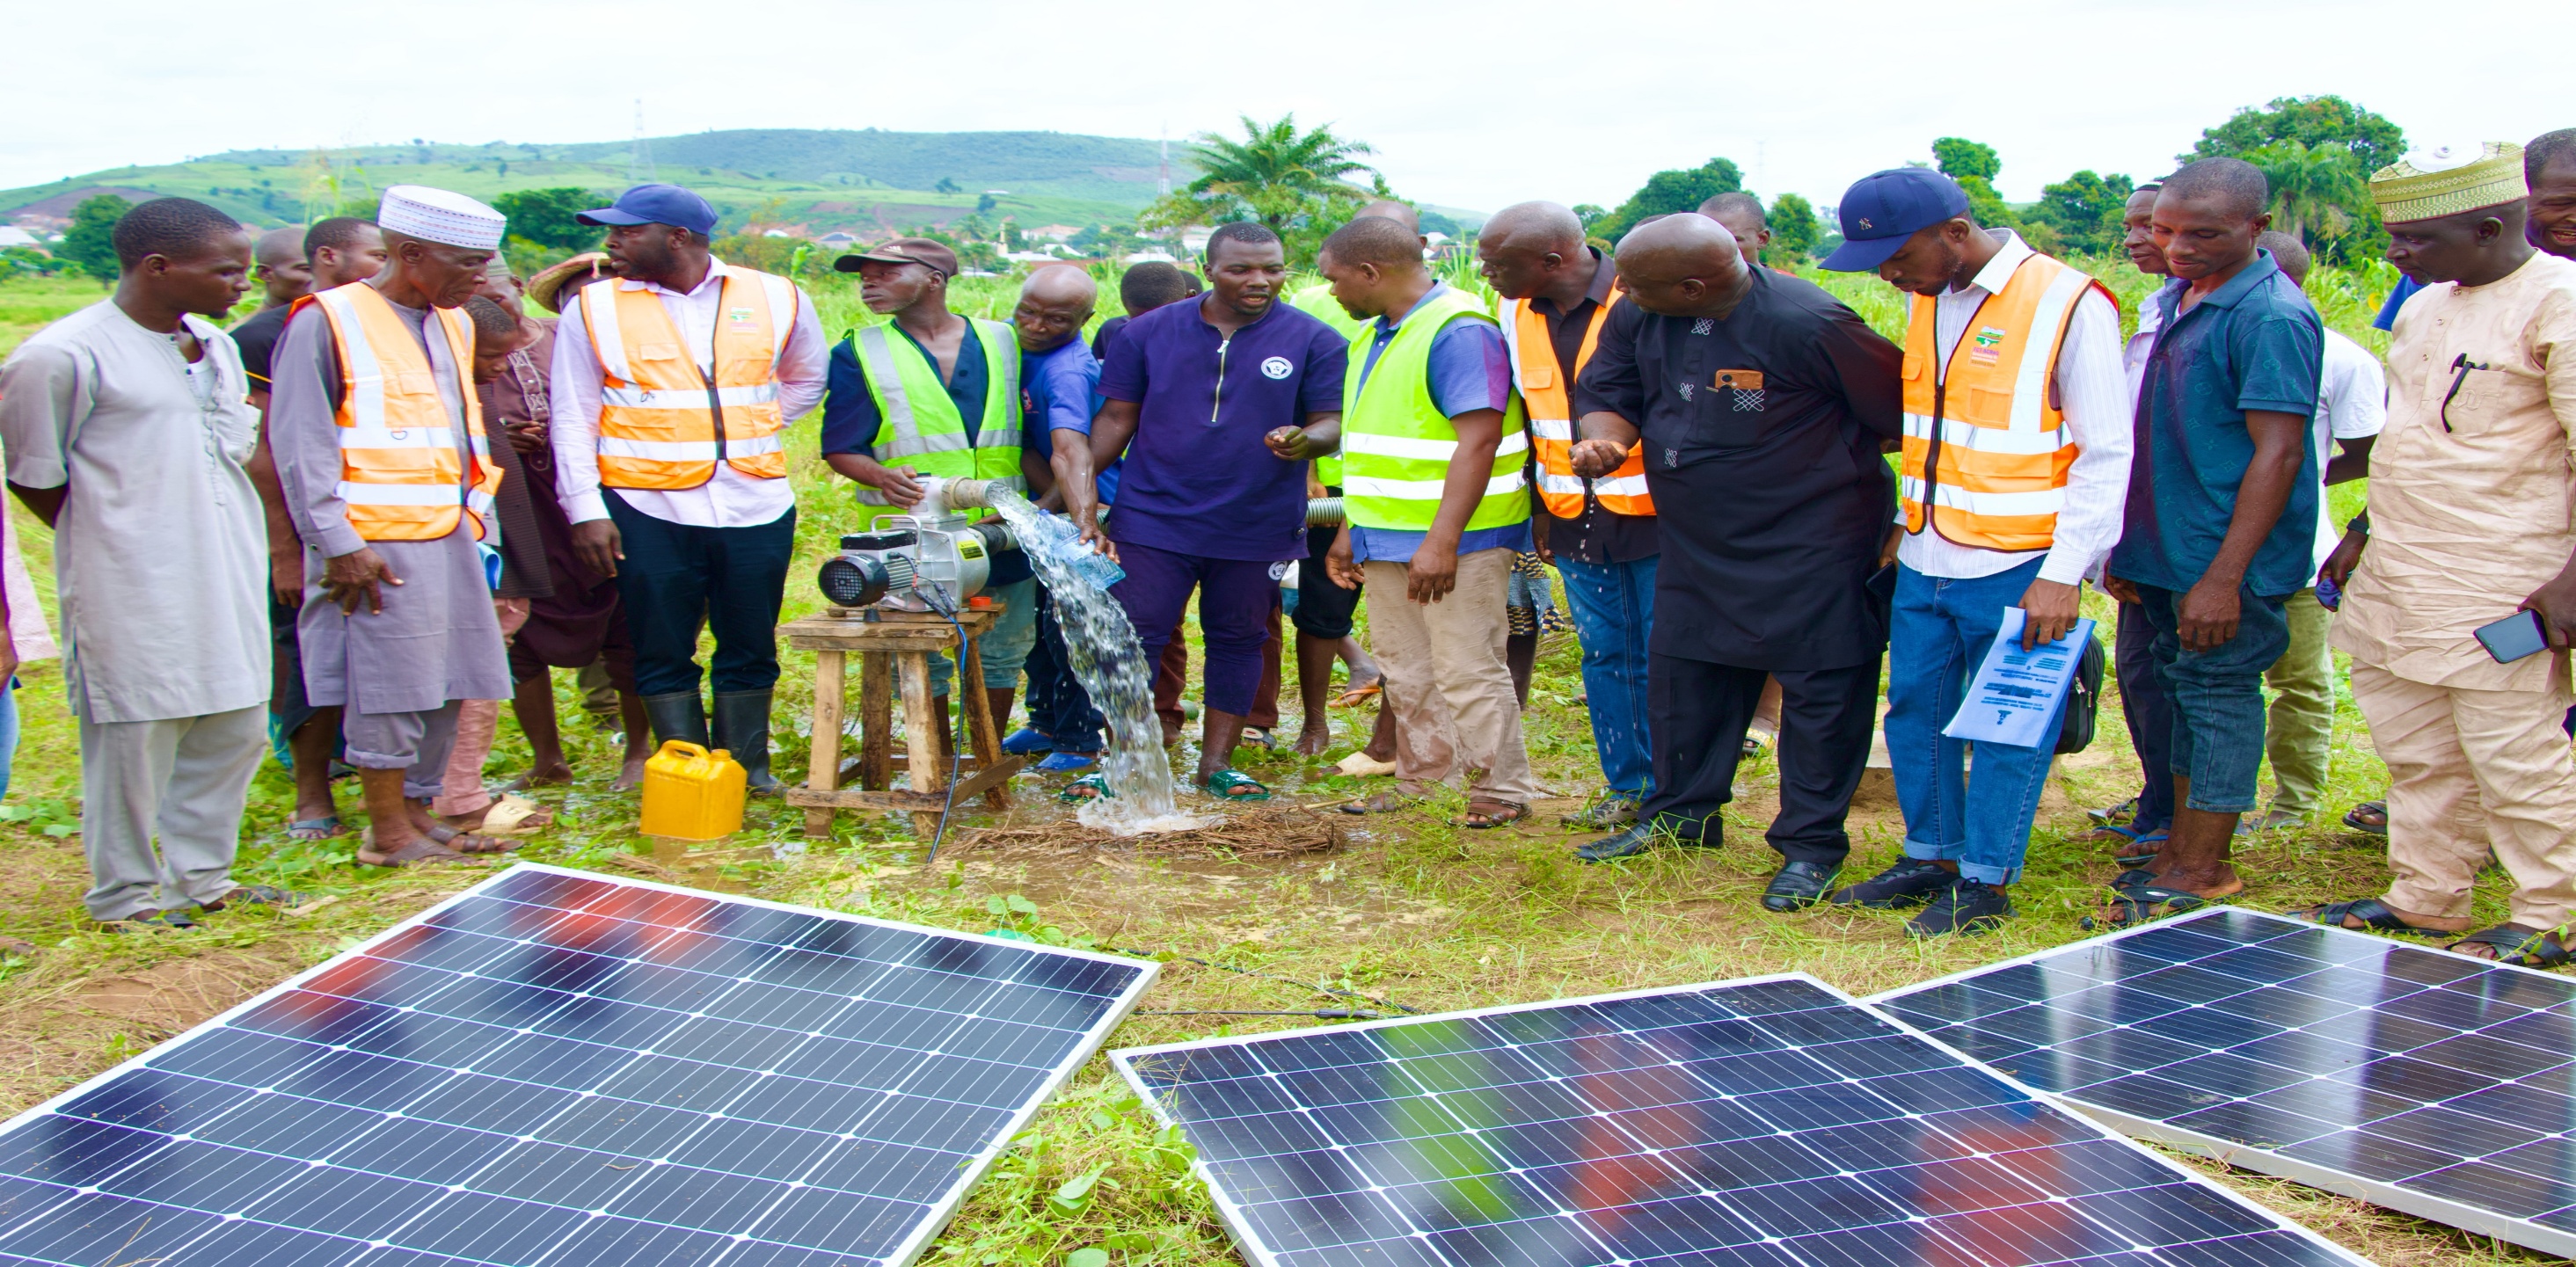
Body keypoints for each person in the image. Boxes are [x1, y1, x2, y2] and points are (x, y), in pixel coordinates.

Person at [1816, 169, 2130, 936]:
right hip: (1927, 553)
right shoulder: (1929, 296)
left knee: (2005, 721)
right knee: (1915, 712)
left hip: (2020, 565)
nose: (1889, 277)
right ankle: (1931, 854)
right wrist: (1904, 527)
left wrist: (2063, 574)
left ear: (1955, 232)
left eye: (1898, 258)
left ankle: (1986, 878)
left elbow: (2106, 453)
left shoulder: (2067, 302)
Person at [1566, 214, 1902, 914]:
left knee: (1822, 691)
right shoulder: (1638, 314)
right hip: (1695, 537)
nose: (1620, 291)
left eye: (1636, 283)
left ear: (1692, 287)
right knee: (1685, 675)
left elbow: (1897, 412)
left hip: (1812, 539)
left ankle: (1809, 846)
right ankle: (1680, 815)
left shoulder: (1808, 323)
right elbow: (1608, 393)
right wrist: (1605, 441)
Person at [2303, 142, 2576, 967]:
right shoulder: (2422, 307)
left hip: (2504, 578)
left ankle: (2552, 911)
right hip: (2401, 568)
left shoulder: (2558, 303)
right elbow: (2409, 435)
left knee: (2516, 753)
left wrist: (2571, 582)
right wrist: (2359, 533)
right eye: (2394, 236)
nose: (2396, 254)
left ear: (2488, 227)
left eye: (2415, 239)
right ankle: (2424, 894)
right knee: (2415, 748)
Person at [0, 198, 279, 928]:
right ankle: (124, 895)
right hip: (129, 576)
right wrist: (125, 534)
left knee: (234, 721)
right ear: (158, 267)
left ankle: (203, 878)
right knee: (137, 732)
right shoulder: (62, 356)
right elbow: (34, 475)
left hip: (227, 561)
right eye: (226, 271)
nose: (241, 285)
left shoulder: (213, 344)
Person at [2098, 158, 2322, 926]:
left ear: (2256, 228)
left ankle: (2203, 866)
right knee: (2183, 694)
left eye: (2202, 234)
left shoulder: (2270, 317)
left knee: (2218, 696)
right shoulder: (2176, 298)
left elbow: (2278, 452)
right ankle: (2178, 848)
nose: (2177, 247)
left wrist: (2224, 577)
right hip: (2165, 547)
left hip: (2222, 559)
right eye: (2164, 230)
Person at [269, 186, 520, 866]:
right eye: (467, 263)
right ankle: (386, 833)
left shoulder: (453, 322)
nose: (480, 278)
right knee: (390, 683)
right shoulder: (327, 321)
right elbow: (299, 441)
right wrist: (338, 544)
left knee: (451, 677)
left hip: (451, 530)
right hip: (374, 540)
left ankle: (417, 812)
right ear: (410, 253)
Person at [552, 184, 826, 794]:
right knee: (660, 645)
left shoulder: (776, 295)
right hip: (645, 505)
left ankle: (746, 770)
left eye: (627, 231)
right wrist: (584, 508)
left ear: (677, 238)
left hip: (754, 503)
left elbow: (808, 378)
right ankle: (686, 776)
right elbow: (572, 414)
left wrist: (745, 429)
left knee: (750, 642)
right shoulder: (592, 308)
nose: (611, 242)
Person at [1062, 222, 1347, 801]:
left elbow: (1331, 421)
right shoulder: (1147, 332)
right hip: (1153, 517)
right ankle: (1121, 763)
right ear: (1209, 269)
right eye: (1241, 269)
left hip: (1257, 521)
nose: (1259, 280)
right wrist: (1074, 497)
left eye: (1272, 268)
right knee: (1134, 636)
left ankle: (1216, 764)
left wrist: (1307, 440)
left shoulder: (1314, 339)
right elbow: (1116, 417)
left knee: (1238, 637)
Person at [1317, 215, 1536, 826]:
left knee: (1467, 665)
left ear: (1369, 272)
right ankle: (1425, 778)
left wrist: (1442, 543)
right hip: (1386, 536)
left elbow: (1479, 440)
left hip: (1458, 540)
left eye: (1335, 278)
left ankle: (1500, 788)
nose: (1332, 290)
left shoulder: (1458, 330)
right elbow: (1373, 450)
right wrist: (1350, 530)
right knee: (1406, 667)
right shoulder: (1375, 335)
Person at [1478, 200, 1656, 828]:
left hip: (1660, 514)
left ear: (1551, 260)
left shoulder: (1642, 295)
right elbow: (1527, 417)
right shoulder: (1511, 310)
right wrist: (1540, 510)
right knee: (1605, 652)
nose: (1485, 274)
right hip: (1573, 514)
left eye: (1497, 264)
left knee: (1667, 653)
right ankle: (1629, 786)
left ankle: (1678, 794)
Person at [821, 236, 1040, 740]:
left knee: (1004, 649)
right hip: (913, 538)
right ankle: (938, 760)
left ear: (934, 280)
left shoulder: (1004, 341)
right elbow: (839, 447)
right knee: (921, 652)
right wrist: (880, 475)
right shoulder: (860, 351)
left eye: (885, 273)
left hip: (999, 529)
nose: (869, 284)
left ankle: (986, 754)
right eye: (864, 277)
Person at [240, 215, 389, 841]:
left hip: (378, 516)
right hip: (306, 523)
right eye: (375, 254)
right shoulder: (266, 335)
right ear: (330, 257)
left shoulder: (380, 321)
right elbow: (266, 449)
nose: (384, 267)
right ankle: (311, 793)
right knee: (308, 656)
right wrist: (285, 546)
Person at [2238, 232, 2383, 835]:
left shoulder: (2342, 359)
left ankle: (2293, 807)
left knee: (2299, 682)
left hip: (2299, 552)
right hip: (2208, 547)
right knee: (2218, 684)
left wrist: (2295, 478)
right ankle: (2204, 806)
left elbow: (2371, 453)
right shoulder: (2210, 336)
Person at [421, 293, 558, 838]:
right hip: (455, 545)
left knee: (479, 662)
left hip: (486, 541)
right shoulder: (436, 396)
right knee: (469, 667)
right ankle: (457, 797)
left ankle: (451, 789)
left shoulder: (470, 391)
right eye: (491, 356)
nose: (503, 367)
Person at [2091, 184, 2181, 862]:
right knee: (2140, 675)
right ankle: (2156, 802)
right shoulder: (2154, 310)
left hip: (2181, 542)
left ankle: (2178, 822)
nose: (2133, 239)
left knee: (2179, 686)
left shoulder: (2221, 315)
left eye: (2148, 225)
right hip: (2138, 536)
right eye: (2129, 226)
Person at [1006, 265, 1111, 772]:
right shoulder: (1013, 349)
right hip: (1045, 505)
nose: (1036, 325)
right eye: (1027, 311)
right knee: (1038, 622)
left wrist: (1057, 515)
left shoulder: (1066, 370)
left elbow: (1072, 453)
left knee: (1070, 626)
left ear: (1085, 320)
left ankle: (1079, 738)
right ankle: (1045, 720)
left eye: (1056, 319)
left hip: (1085, 508)